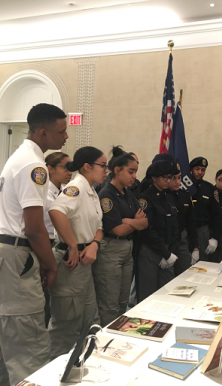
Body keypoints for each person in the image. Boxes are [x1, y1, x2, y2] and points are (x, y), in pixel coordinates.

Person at [0, 103, 68, 386]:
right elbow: (34, 228)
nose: (65, 137)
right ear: (43, 133)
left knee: (12, 340)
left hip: (11, 252)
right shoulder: (34, 165)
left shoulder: (19, 156)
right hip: (19, 254)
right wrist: (50, 265)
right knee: (29, 343)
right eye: (61, 132)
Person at [48, 146, 107, 360]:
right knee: (66, 326)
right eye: (103, 165)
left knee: (90, 320)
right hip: (70, 262)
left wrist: (94, 244)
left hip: (85, 261)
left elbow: (99, 227)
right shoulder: (76, 187)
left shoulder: (92, 191)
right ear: (87, 166)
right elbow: (56, 210)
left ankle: (81, 366)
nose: (106, 170)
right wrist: (73, 245)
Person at [92, 146, 147, 327]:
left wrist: (128, 221)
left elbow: (144, 223)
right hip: (111, 250)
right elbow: (117, 230)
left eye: (136, 172)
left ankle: (118, 333)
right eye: (131, 172)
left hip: (127, 250)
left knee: (123, 301)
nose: (134, 176)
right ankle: (104, 339)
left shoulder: (129, 194)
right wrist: (134, 222)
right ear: (117, 170)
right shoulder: (106, 195)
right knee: (109, 303)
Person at [137, 160, 180, 302]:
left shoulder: (168, 196)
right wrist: (165, 252)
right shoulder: (146, 198)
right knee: (147, 293)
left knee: (168, 291)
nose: (168, 181)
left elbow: (175, 226)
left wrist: (171, 251)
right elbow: (148, 231)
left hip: (167, 250)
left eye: (170, 177)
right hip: (151, 251)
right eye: (165, 177)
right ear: (154, 178)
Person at [44, 152, 72, 327]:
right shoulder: (44, 193)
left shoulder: (63, 192)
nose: (70, 172)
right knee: (45, 297)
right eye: (65, 167)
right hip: (44, 244)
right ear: (50, 169)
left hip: (57, 246)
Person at [167, 163, 199, 276]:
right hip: (167, 241)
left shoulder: (184, 195)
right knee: (167, 279)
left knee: (185, 275)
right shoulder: (163, 196)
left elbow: (191, 222)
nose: (177, 182)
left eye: (179, 178)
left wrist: (195, 247)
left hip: (182, 241)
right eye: (173, 178)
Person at [189, 157, 220, 262]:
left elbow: (217, 214)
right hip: (185, 229)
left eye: (203, 170)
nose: (200, 172)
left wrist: (214, 237)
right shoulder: (183, 186)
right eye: (197, 169)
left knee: (203, 261)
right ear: (191, 169)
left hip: (201, 229)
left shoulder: (209, 188)